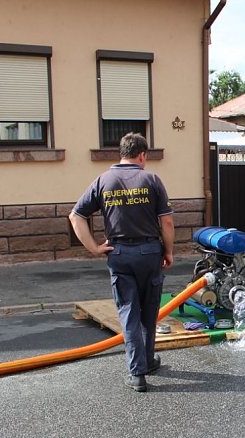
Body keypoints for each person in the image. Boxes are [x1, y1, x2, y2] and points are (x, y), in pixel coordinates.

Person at [69, 132, 174, 392]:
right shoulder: (152, 179)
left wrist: (94, 248)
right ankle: (147, 360)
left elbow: (76, 216)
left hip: (120, 254)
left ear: (121, 153)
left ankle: (137, 372)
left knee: (129, 311)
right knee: (149, 310)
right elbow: (167, 222)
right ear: (142, 155)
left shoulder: (104, 180)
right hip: (150, 253)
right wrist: (169, 251)